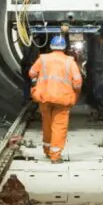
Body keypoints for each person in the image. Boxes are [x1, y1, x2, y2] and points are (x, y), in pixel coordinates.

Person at [29, 34, 83, 162]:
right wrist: (75, 92)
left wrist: (38, 80)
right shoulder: (70, 61)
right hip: (62, 100)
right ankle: (55, 156)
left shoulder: (43, 58)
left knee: (47, 125)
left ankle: (47, 151)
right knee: (59, 126)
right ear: (64, 47)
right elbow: (78, 82)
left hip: (44, 97)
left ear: (51, 46)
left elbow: (31, 73)